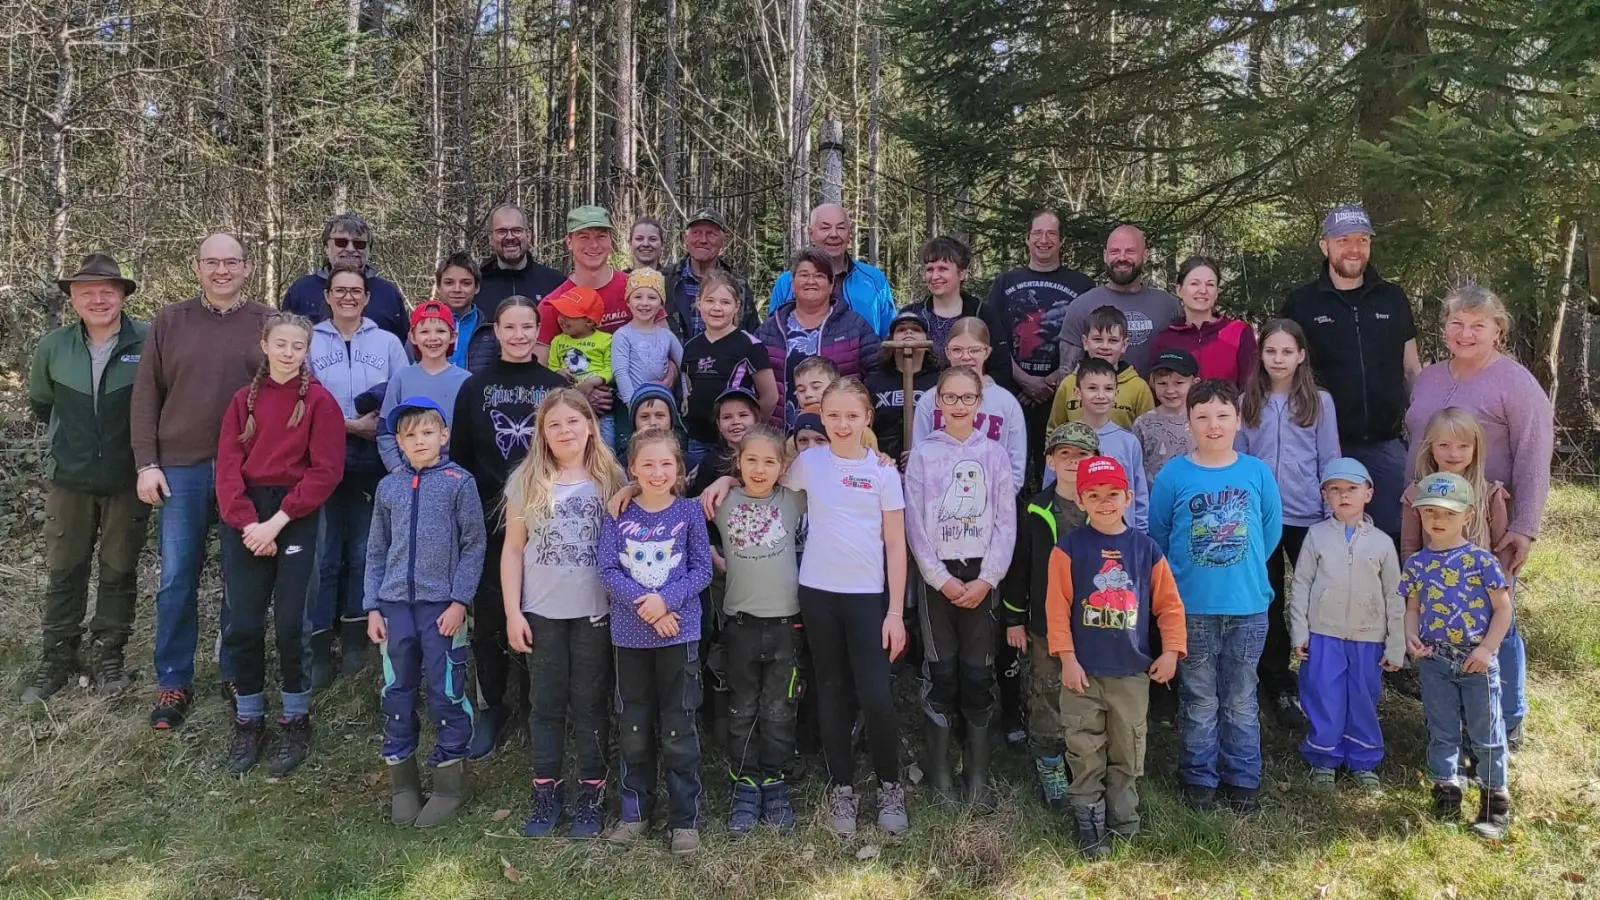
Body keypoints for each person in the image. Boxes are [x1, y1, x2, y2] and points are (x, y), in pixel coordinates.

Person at [701, 377, 910, 836]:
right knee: (831, 692)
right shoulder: (809, 463)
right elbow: (761, 474)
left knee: (875, 695)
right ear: (820, 417)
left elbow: (896, 546)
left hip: (868, 597)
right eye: (832, 415)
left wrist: (895, 612)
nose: (841, 424)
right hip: (816, 594)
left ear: (867, 419)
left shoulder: (882, 470)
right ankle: (842, 790)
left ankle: (891, 786)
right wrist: (724, 476)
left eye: (852, 416)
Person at [1403, 283, 1553, 747]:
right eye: (1456, 323)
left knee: (1496, 615)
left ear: (1498, 330)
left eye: (1477, 325)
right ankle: (1453, 712)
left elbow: (1534, 455)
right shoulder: (1428, 377)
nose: (1465, 333)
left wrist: (1525, 527)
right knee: (1443, 613)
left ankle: (1508, 718)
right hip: (1430, 520)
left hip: (1488, 524)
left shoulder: (1515, 383)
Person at [133, 233, 272, 730]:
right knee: (176, 578)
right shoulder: (170, 321)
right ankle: (173, 678)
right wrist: (146, 463)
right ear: (196, 268)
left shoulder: (265, 322)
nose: (221, 271)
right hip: (181, 467)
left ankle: (237, 673)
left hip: (246, 470)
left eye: (230, 262)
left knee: (241, 577)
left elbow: (288, 390)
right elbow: (146, 394)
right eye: (211, 262)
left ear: (247, 268)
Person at [214, 312, 345, 777]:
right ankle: (248, 718)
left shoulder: (320, 403)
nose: (290, 353)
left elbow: (325, 470)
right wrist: (249, 523)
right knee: (245, 624)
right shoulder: (240, 403)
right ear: (265, 345)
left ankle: (295, 717)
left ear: (307, 351)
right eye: (282, 344)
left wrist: (277, 523)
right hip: (246, 518)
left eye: (299, 346)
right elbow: (227, 467)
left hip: (296, 516)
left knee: (292, 623)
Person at [1149, 379, 1282, 814]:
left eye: (1223, 415)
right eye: (1202, 416)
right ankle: (1199, 778)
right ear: (1188, 423)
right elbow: (1160, 533)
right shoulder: (1174, 475)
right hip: (1193, 609)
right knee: (1200, 697)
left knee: (1241, 696)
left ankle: (1243, 778)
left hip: (1247, 607)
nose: (1213, 425)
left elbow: (1269, 531)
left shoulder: (1256, 472)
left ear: (1238, 420)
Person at [23, 253, 150, 703]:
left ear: (122, 295)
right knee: (64, 571)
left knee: (119, 570)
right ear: (73, 299)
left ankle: (110, 656)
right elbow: (42, 402)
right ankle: (57, 658)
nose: (98, 299)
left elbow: (160, 402)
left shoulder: (148, 340)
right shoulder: (53, 347)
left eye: (107, 291)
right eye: (87, 292)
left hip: (127, 480)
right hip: (69, 480)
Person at [1046, 455, 1185, 856]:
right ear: (1081, 499)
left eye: (1112, 494)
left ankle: (1123, 822)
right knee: (1084, 750)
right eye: (1094, 494)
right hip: (1083, 675)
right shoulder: (1069, 549)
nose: (1104, 502)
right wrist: (1067, 658)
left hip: (1130, 674)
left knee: (1127, 750)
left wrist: (1172, 650)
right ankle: (1089, 824)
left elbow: (1169, 606)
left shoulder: (1146, 550)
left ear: (1128, 497)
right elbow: (1057, 609)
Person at [503, 390, 626, 837]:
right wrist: (512, 612)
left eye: (574, 421)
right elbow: (513, 551)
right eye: (554, 424)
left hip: (595, 611)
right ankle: (545, 790)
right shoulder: (527, 480)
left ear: (591, 425)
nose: (565, 431)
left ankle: (591, 792)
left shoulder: (612, 479)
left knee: (591, 703)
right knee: (546, 703)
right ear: (542, 434)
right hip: (542, 612)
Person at [450, 296, 568, 759]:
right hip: (489, 519)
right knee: (491, 614)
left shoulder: (555, 387)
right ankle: (493, 706)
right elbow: (459, 458)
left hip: (545, 518)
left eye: (527, 327)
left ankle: (538, 703)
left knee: (542, 612)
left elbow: (571, 450)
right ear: (495, 332)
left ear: (539, 330)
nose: (519, 336)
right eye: (509, 327)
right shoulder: (473, 388)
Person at [365, 397, 486, 827]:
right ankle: (403, 782)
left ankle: (450, 780)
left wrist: (459, 601)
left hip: (442, 609)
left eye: (428, 433)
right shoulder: (389, 487)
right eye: (410, 435)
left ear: (444, 436)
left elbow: (474, 544)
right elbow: (377, 549)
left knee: (446, 689)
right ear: (398, 440)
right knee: (397, 691)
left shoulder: (459, 482)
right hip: (394, 606)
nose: (420, 441)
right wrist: (373, 606)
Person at [904, 366, 1017, 808]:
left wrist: (988, 578)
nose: (958, 405)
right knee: (942, 671)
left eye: (966, 398)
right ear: (937, 404)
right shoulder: (923, 456)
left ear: (978, 403)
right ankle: (940, 773)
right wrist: (941, 578)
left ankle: (977, 773)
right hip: (939, 579)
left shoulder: (994, 455)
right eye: (949, 398)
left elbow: (1005, 522)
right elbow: (914, 522)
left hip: (983, 577)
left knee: (977, 672)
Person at [599, 429, 714, 855]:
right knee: (633, 727)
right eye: (647, 464)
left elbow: (703, 569)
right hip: (630, 638)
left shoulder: (688, 512)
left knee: (678, 727)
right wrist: (644, 606)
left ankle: (685, 820)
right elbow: (609, 570)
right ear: (633, 469)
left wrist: (665, 602)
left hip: (679, 635)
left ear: (678, 469)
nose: (657, 472)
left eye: (666, 464)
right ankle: (635, 814)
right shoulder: (619, 513)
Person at [1280, 204, 1422, 542]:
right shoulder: (1302, 303)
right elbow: (1282, 373)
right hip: (1323, 448)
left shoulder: (1392, 299)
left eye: (1362, 239)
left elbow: (1412, 369)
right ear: (1324, 245)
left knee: (1394, 536)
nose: (1354, 248)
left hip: (1385, 444)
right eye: (1343, 240)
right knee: (1326, 539)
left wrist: (1420, 437)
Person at [307, 267, 411, 685]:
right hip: (320, 459)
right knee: (325, 553)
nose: (348, 297)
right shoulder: (310, 340)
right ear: (328, 296)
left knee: (365, 551)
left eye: (356, 291)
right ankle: (317, 645)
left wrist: (376, 425)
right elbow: (304, 394)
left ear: (367, 298)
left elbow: (401, 391)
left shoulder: (386, 342)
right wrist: (348, 425)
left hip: (373, 461)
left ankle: (354, 640)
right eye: (340, 291)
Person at [1236, 318, 1339, 729]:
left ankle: (1321, 680)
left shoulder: (1320, 402)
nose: (1278, 359)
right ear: (1260, 356)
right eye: (1270, 351)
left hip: (1307, 514)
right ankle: (1277, 682)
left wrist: (1332, 512)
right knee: (1269, 598)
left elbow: (1329, 456)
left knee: (1314, 597)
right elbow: (1240, 459)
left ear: (1300, 356)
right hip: (1261, 519)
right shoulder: (1248, 401)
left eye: (1286, 352)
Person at [1402, 472, 1514, 840]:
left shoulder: (1481, 560)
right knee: (1442, 729)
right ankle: (1446, 794)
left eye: (1448, 513)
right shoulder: (1417, 563)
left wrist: (1487, 648)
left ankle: (1493, 802)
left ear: (1468, 515)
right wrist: (1410, 635)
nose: (1437, 520)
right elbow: (1413, 607)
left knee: (1485, 731)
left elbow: (1503, 610)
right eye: (1429, 511)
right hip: (1435, 660)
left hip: (1475, 660)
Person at [711, 425, 805, 834]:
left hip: (787, 624)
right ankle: (745, 781)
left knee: (779, 708)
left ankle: (774, 778)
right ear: (738, 462)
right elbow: (664, 500)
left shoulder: (793, 500)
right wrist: (722, 480)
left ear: (783, 467)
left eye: (770, 461)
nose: (760, 469)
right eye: (751, 460)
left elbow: (836, 475)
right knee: (742, 706)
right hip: (741, 625)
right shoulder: (721, 500)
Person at [1289, 458, 1403, 793]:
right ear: (1325, 495)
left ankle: (1364, 760)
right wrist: (1300, 631)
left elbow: (1395, 594)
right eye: (1335, 489)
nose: (1344, 496)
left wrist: (1396, 644)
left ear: (1369, 492)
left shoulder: (1382, 543)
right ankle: (1324, 758)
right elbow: (1301, 584)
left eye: (1352, 489)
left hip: (1369, 637)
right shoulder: (1316, 536)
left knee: (1363, 696)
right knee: (1324, 694)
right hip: (1324, 634)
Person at [1001, 422, 1097, 814]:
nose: (1073, 463)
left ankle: (1086, 761)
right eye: (1065, 455)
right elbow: (1018, 567)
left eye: (1082, 455)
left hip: (1094, 623)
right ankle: (1049, 761)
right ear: (1051, 461)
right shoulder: (1035, 508)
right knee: (1046, 692)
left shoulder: (1104, 506)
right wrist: (1014, 618)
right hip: (1044, 623)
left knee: (1089, 693)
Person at [986, 211, 1096, 487]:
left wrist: (1055, 379)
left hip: (1062, 394)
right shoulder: (1005, 283)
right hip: (1014, 395)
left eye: (1051, 234)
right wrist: (1024, 380)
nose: (1044, 240)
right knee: (1011, 473)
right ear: (1027, 239)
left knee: (1059, 472)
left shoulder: (1082, 285)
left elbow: (1091, 338)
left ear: (1062, 241)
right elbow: (992, 337)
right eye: (1038, 233)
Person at [757, 247, 881, 427]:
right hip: (780, 439)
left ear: (832, 285)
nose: (811, 281)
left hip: (840, 436)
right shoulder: (770, 329)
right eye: (804, 275)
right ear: (792, 283)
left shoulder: (855, 326)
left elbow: (878, 376)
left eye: (820, 276)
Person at [911, 318, 1027, 491]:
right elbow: (918, 458)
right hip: (938, 499)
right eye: (957, 350)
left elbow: (1015, 468)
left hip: (990, 503)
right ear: (947, 352)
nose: (966, 357)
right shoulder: (929, 400)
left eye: (974, 350)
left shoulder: (1006, 403)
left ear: (987, 352)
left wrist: (997, 503)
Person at [680, 273, 778, 471]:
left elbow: (770, 396)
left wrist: (751, 433)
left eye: (725, 302)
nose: (717, 308)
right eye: (710, 301)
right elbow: (689, 389)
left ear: (736, 307)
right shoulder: (691, 348)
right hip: (697, 440)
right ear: (699, 304)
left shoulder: (750, 346)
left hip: (735, 442)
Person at [1060, 224, 1183, 377]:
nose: (1122, 257)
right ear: (1105, 255)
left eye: (1130, 251)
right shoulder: (1082, 306)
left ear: (1145, 255)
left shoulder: (1169, 306)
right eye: (1115, 251)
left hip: (1157, 400)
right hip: (1099, 399)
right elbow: (1067, 374)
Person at [769, 204, 896, 336]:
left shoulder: (874, 280)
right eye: (825, 228)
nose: (834, 234)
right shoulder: (787, 283)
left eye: (841, 228)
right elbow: (772, 336)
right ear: (811, 234)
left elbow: (890, 336)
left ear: (849, 234)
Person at [377, 302, 472, 473]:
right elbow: (385, 431)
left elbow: (474, 435)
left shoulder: (466, 381)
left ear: (453, 336)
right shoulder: (401, 378)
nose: (433, 338)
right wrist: (396, 468)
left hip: (453, 475)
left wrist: (461, 473)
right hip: (409, 472)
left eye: (441, 331)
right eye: (424, 332)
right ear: (413, 337)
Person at [282, 213, 408, 342]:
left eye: (359, 244)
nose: (350, 249)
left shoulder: (388, 293)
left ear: (369, 249)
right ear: (326, 247)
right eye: (341, 242)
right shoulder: (302, 290)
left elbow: (403, 345)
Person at [1150, 256, 1257, 388]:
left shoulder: (1239, 332)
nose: (1203, 290)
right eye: (1194, 283)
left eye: (1210, 284)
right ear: (1179, 290)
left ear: (1217, 292)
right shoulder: (1166, 338)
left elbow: (1250, 387)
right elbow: (1157, 389)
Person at [1048, 305, 1155, 431]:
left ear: (1124, 345)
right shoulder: (1069, 384)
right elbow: (1055, 429)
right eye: (1097, 339)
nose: (1105, 346)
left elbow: (1149, 434)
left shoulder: (1138, 388)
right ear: (1085, 342)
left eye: (1113, 341)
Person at [1070, 358, 1148, 531]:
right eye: (1092, 388)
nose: (1100, 395)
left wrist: (1140, 536)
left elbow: (1140, 495)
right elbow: (1052, 490)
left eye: (1108, 389)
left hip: (1120, 538)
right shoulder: (1065, 440)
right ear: (1077, 392)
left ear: (1116, 393)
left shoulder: (1128, 442)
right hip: (1075, 536)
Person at [664, 208, 759, 337]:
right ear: (685, 239)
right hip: (674, 357)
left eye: (711, 234)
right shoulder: (665, 281)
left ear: (723, 242)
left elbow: (752, 335)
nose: (703, 240)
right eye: (696, 233)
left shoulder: (738, 285)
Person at [864, 308, 941, 466]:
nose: (908, 333)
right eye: (901, 329)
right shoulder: (874, 381)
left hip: (930, 466)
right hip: (882, 465)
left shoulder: (940, 382)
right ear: (891, 340)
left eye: (915, 329)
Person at [544, 285, 617, 447]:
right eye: (560, 313)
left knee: (606, 446)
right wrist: (558, 372)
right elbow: (551, 367)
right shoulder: (558, 341)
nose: (561, 319)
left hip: (602, 410)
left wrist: (592, 383)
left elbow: (611, 369)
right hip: (569, 407)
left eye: (569, 315)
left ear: (589, 321)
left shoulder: (606, 340)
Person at [909, 236, 999, 363]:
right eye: (930, 269)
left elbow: (1001, 370)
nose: (934, 276)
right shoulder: (911, 315)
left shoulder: (983, 315)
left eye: (942, 269)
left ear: (961, 274)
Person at [477, 204, 566, 318]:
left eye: (517, 230)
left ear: (528, 235)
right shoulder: (476, 285)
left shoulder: (555, 283)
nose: (510, 237)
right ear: (491, 238)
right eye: (502, 231)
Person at [611, 268, 683, 407]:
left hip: (662, 404)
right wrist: (633, 404)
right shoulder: (622, 335)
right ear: (628, 302)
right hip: (631, 405)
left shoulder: (666, 335)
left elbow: (685, 365)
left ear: (661, 304)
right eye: (638, 297)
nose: (645, 303)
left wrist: (686, 394)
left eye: (652, 297)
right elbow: (620, 373)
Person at [1130, 349, 1197, 481]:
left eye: (1179, 383)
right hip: (1154, 498)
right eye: (1162, 383)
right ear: (1152, 384)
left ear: (1194, 383)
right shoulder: (1143, 423)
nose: (1170, 390)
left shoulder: (1202, 419)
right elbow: (1135, 466)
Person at [431, 253, 500, 374]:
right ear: (438, 286)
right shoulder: (423, 328)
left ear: (477, 287)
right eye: (449, 282)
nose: (457, 289)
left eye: (466, 283)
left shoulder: (490, 331)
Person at [626, 382, 688, 456]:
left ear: (671, 421)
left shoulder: (689, 465)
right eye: (645, 417)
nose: (653, 422)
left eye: (660, 415)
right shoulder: (621, 466)